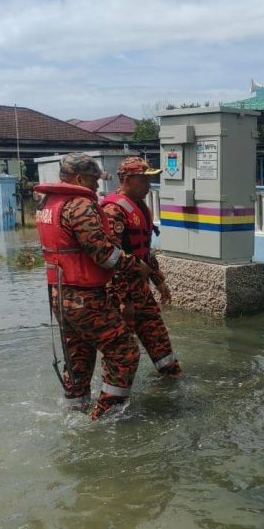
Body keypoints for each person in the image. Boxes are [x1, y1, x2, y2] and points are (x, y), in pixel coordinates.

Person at [34, 153, 152, 419]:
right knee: (124, 352)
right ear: (78, 178)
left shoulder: (47, 203)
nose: (98, 187)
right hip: (84, 297)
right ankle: (106, 417)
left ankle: (74, 411)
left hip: (59, 293)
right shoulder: (79, 205)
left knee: (79, 357)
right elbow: (103, 253)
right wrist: (136, 266)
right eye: (94, 180)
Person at [100, 156, 183, 379]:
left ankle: (171, 377)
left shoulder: (141, 208)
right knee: (120, 350)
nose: (148, 186)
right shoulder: (112, 210)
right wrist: (122, 300)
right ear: (126, 179)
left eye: (149, 181)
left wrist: (159, 280)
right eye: (143, 180)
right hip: (122, 293)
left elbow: (144, 251)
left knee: (158, 337)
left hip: (141, 290)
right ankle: (114, 396)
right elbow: (109, 259)